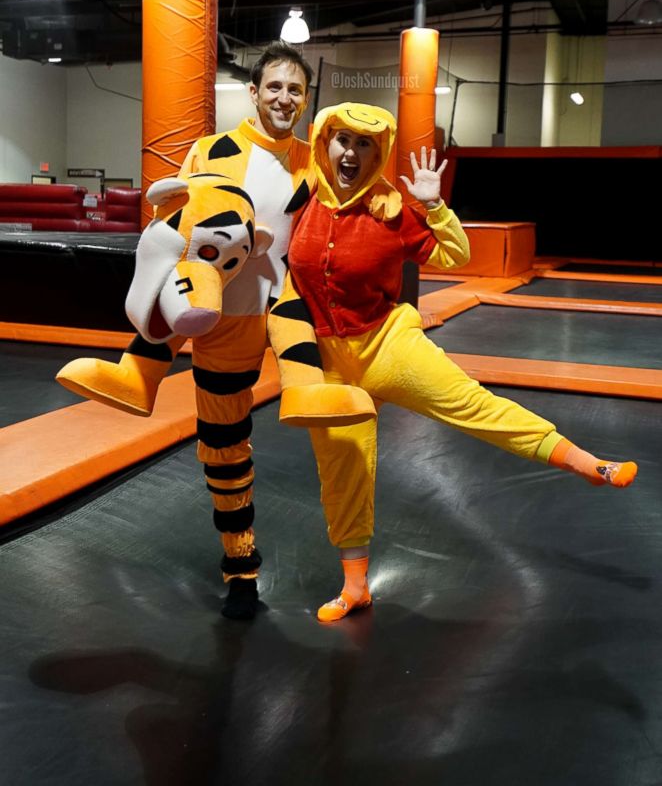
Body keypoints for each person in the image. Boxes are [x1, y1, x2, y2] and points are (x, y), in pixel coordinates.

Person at [278, 102, 638, 623]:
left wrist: (433, 205)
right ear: (323, 144)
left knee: (474, 406)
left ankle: (587, 463)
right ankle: (355, 586)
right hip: (328, 363)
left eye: (364, 144)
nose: (351, 152)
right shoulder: (302, 195)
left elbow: (456, 255)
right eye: (343, 140)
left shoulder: (393, 213)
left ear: (377, 154)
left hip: (387, 346)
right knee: (342, 470)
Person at [57, 42, 372, 620]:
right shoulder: (211, 151)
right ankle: (241, 565)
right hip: (215, 315)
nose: (284, 97)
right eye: (274, 86)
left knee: (274, 416)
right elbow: (177, 227)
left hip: (279, 312)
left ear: (306, 101)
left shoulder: (316, 164)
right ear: (253, 93)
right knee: (225, 450)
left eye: (295, 90)